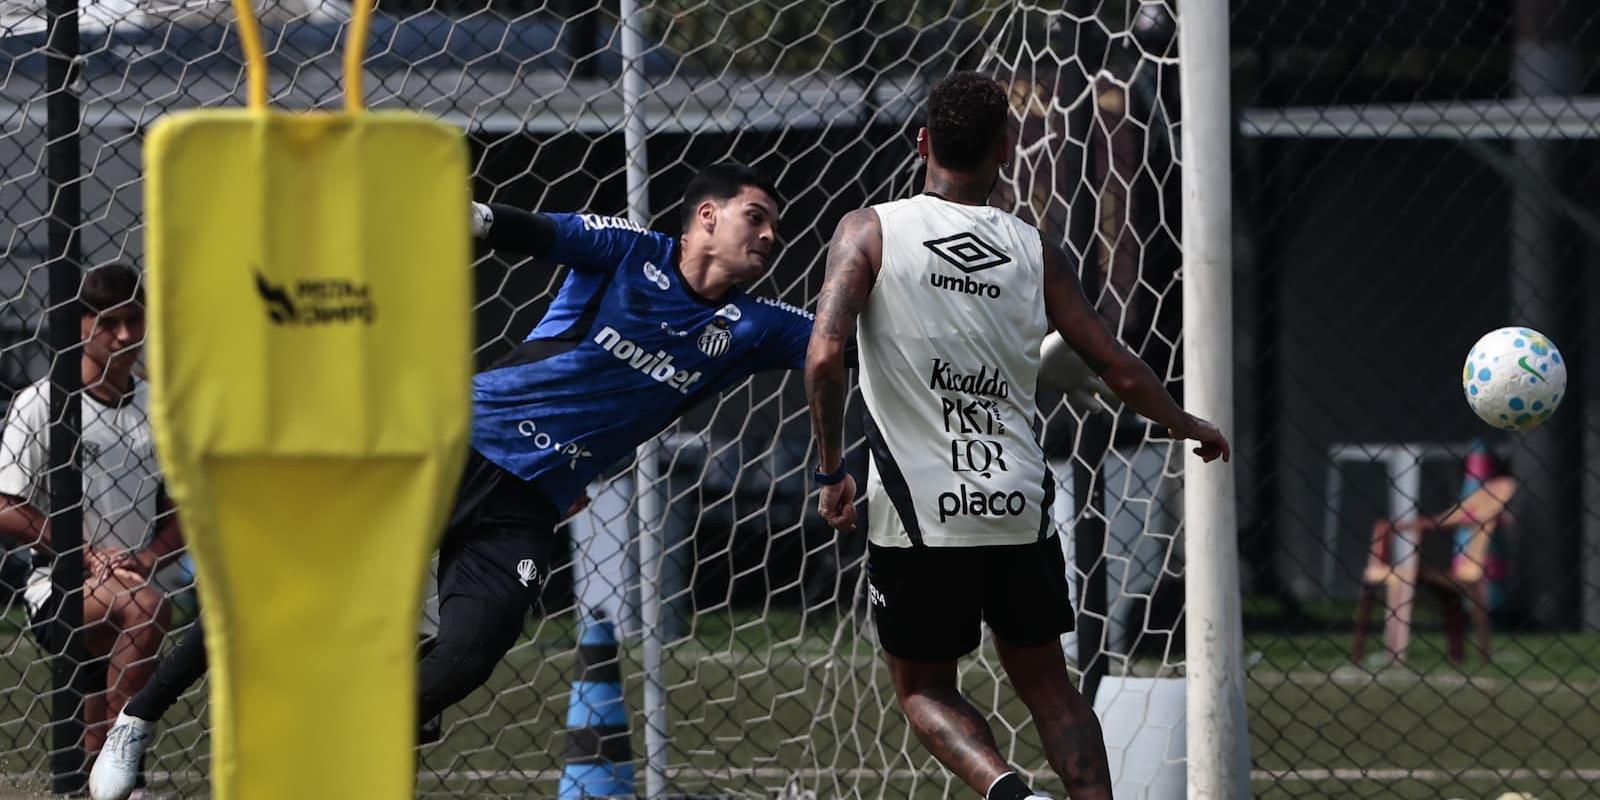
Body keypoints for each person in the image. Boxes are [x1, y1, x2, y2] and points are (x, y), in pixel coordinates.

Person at [92, 161, 1115, 800]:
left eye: (775, 228)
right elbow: (514, 228)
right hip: (447, 449)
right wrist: (436, 208)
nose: (768, 235)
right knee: (268, 591)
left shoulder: (753, 328)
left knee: (464, 660)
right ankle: (135, 728)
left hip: (532, 505)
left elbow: (842, 351)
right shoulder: (625, 250)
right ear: (704, 217)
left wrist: (1015, 350)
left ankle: (341, 727)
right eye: (753, 216)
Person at [805, 72, 1230, 800]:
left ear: (922, 142)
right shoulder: (1035, 248)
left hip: (918, 515)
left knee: (924, 691)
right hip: (1016, 504)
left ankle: (1007, 791)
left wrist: (830, 468)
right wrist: (1185, 423)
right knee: (1049, 687)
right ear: (1007, 147)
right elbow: (1115, 365)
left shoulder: (869, 229)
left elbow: (821, 356)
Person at [0, 263, 186, 759]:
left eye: (136, 320)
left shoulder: (159, 408)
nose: (126, 334)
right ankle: (120, 764)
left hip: (133, 579)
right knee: (147, 611)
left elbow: (186, 513)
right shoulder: (43, 402)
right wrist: (84, 553)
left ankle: (106, 780)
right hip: (60, 587)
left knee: (97, 703)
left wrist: (146, 559)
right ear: (81, 324)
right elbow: (3, 506)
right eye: (110, 322)